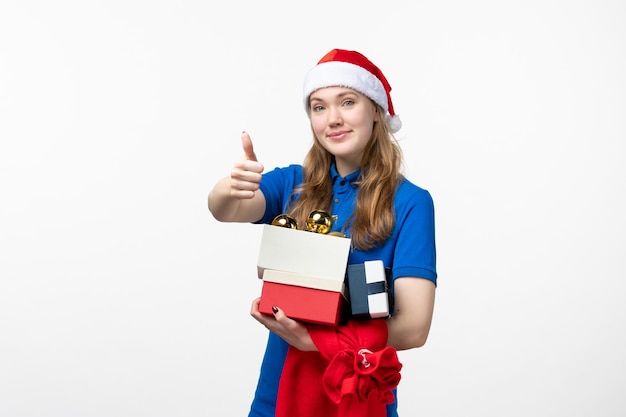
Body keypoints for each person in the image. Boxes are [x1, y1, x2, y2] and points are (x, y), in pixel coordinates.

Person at [208, 48, 437, 417]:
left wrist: (316, 341)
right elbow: (228, 210)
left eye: (348, 102)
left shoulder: (411, 202)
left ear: (376, 111)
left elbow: (413, 328)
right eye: (319, 107)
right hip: (278, 396)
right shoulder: (292, 184)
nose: (333, 119)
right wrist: (229, 188)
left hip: (357, 399)